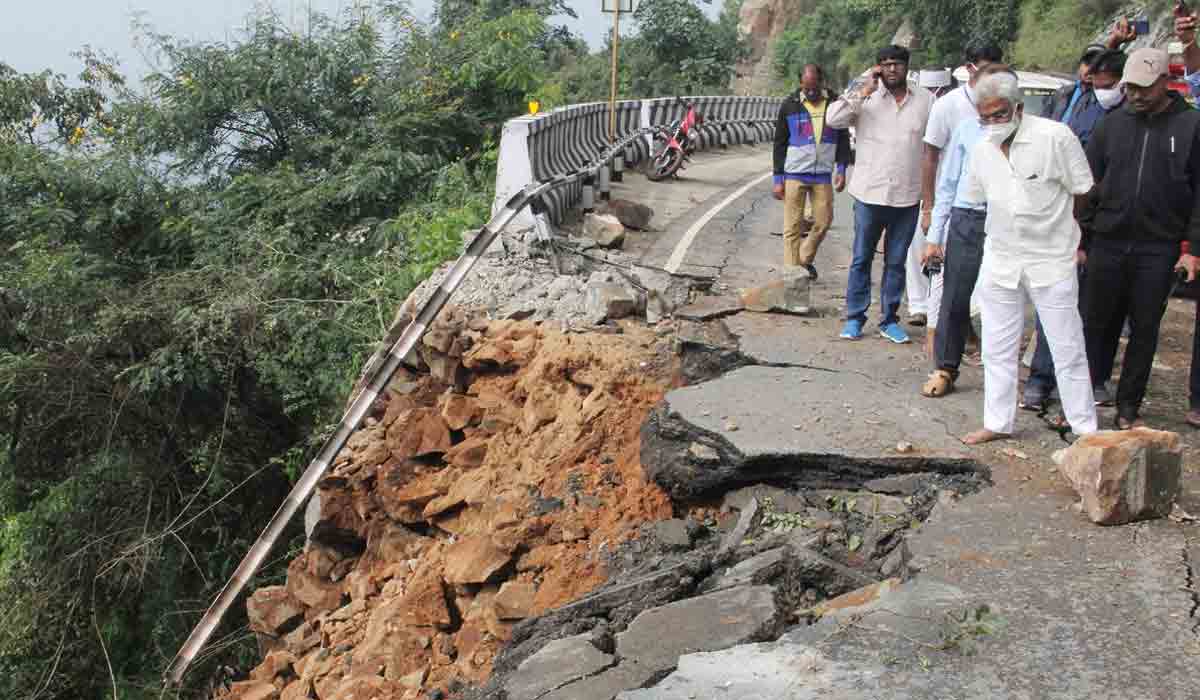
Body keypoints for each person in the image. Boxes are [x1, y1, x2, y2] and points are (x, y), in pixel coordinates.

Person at [958, 70, 1098, 444]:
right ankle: (997, 422)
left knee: (1067, 346)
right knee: (997, 347)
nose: (993, 123)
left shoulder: (1055, 137)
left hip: (1051, 257)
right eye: (985, 117)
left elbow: (1083, 190)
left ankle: (1085, 428)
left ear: (1018, 108)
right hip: (1001, 257)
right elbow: (977, 198)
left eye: (999, 114)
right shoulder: (982, 148)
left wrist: (1070, 233)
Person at [1082, 48, 1200, 429]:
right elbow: (1087, 183)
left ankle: (1128, 406)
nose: (1136, 95)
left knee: (1145, 328)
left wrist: (1192, 250)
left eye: (1145, 88)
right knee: (1096, 323)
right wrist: (1081, 239)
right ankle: (1084, 398)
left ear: (1165, 82)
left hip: (1159, 245)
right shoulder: (1112, 125)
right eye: (1130, 87)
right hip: (1108, 240)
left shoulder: (1190, 126)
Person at [1022, 49, 1129, 411]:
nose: (1101, 91)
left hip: (1117, 226)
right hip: (1074, 219)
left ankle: (1093, 380)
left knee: (1102, 309)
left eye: (1108, 85)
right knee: (1057, 301)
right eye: (1096, 84)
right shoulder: (1077, 106)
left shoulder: (1136, 118)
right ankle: (1040, 379)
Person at [827, 45, 934, 344]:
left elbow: (933, 148)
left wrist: (930, 200)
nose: (891, 69)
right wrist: (863, 89)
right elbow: (833, 119)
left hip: (907, 196)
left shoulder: (925, 100)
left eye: (897, 64)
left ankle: (889, 320)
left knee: (896, 263)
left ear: (907, 67)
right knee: (861, 259)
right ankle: (855, 318)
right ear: (878, 68)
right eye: (885, 64)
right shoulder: (865, 96)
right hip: (869, 194)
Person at [920, 63, 1013, 398]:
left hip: (1010, 223)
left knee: (1005, 299)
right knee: (955, 296)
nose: (992, 118)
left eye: (1000, 110)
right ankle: (945, 368)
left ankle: (1008, 375)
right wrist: (934, 237)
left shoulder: (1034, 136)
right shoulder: (966, 131)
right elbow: (947, 185)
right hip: (968, 220)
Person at [913, 44, 1004, 339]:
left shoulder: (1006, 105)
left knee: (983, 276)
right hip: (954, 205)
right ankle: (937, 339)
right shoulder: (948, 106)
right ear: (969, 69)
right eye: (984, 68)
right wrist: (929, 209)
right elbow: (930, 158)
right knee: (945, 275)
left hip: (993, 209)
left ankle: (969, 334)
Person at [772, 64, 850, 280]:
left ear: (822, 82)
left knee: (823, 221)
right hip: (794, 174)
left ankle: (803, 260)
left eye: (815, 87)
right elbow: (779, 143)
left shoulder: (835, 104)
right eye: (807, 88)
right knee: (792, 226)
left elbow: (843, 139)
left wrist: (841, 168)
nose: (811, 92)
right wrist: (778, 179)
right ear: (800, 84)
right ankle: (791, 273)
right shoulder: (789, 105)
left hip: (822, 174)